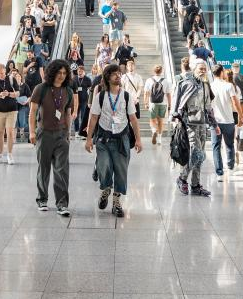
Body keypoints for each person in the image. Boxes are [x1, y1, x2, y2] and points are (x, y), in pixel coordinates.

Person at [85, 63, 143, 217]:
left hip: (122, 139)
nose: (118, 76)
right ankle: (105, 189)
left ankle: (116, 202)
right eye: (114, 74)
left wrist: (138, 140)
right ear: (107, 77)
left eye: (119, 73)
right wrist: (89, 139)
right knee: (104, 167)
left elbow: (133, 119)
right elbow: (93, 118)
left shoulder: (126, 96)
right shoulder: (100, 96)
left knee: (121, 171)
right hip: (103, 138)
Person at [29, 59, 74, 216]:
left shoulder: (68, 91)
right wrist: (32, 132)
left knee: (62, 170)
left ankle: (62, 204)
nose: (61, 76)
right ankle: (42, 199)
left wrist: (68, 133)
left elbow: (68, 113)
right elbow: (33, 111)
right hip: (44, 133)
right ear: (52, 72)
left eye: (64, 73)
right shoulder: (41, 89)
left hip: (61, 135)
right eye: (59, 72)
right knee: (44, 168)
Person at [173, 60, 215, 197]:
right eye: (200, 68)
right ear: (194, 69)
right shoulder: (186, 83)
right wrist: (176, 117)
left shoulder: (205, 84)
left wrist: (214, 124)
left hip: (202, 124)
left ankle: (196, 185)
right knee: (197, 154)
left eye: (204, 69)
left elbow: (208, 106)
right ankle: (182, 178)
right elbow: (178, 102)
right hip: (189, 124)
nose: (203, 71)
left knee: (200, 156)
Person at [210, 65, 242, 182]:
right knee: (229, 144)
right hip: (228, 120)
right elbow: (235, 102)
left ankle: (219, 173)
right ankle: (230, 167)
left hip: (215, 121)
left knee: (216, 147)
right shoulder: (229, 86)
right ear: (221, 72)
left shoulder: (210, 86)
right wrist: (241, 116)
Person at [0, 64, 18, 164]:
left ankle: (9, 155)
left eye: (2, 73)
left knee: (10, 132)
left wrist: (8, 94)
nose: (1, 75)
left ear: (5, 71)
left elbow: (18, 93)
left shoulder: (11, 79)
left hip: (11, 110)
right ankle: (0, 155)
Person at [145, 65, 170, 146]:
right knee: (160, 121)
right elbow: (168, 94)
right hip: (163, 103)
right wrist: (170, 105)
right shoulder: (165, 81)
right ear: (161, 71)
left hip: (152, 103)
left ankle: (154, 131)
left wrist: (146, 103)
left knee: (152, 120)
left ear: (153, 71)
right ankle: (159, 139)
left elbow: (146, 93)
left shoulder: (149, 80)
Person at [73, 64, 93, 138]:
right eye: (79, 71)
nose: (80, 72)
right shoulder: (74, 79)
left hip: (84, 100)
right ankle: (76, 131)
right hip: (76, 100)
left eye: (81, 71)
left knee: (83, 116)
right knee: (76, 116)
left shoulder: (87, 79)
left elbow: (91, 89)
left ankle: (82, 132)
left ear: (84, 72)